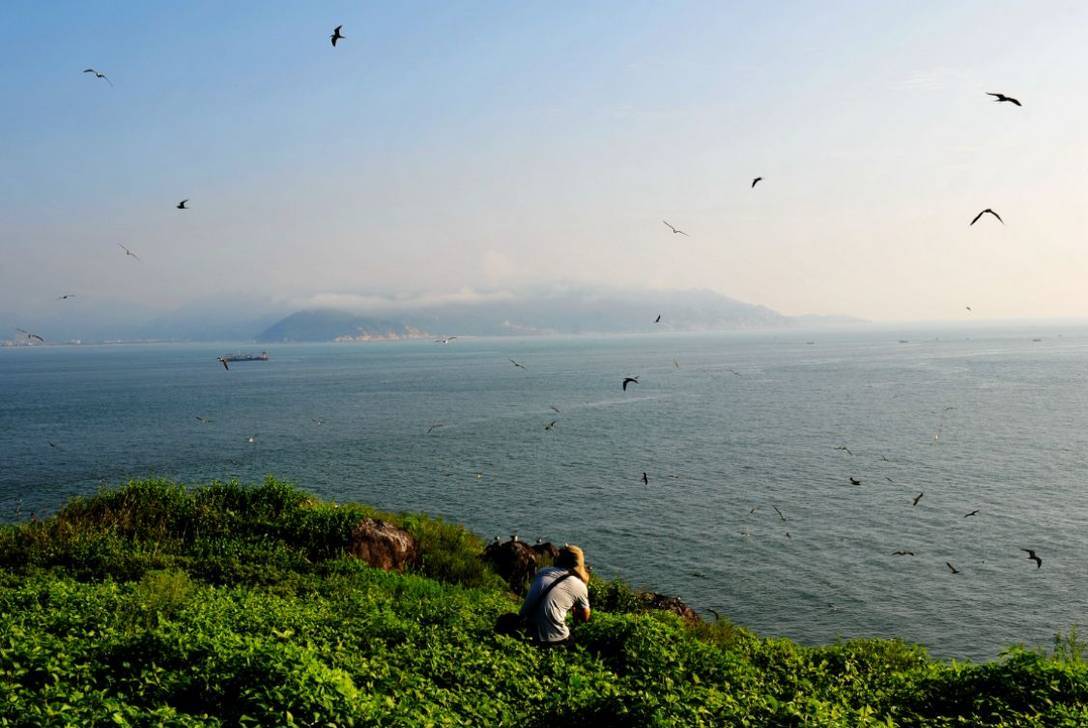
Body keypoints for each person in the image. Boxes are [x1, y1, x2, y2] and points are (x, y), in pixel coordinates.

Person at [519, 544, 591, 646]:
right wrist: (575, 612)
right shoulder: (579, 585)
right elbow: (585, 618)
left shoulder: (543, 571)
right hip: (553, 639)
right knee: (577, 647)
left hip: (525, 630)